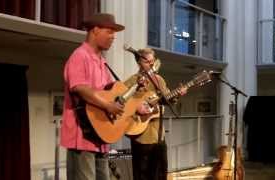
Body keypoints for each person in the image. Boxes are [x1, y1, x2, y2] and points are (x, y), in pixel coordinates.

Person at [60, 13, 125, 180]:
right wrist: (107, 106)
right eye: (109, 32)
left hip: (100, 136)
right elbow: (79, 88)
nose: (113, 37)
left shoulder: (102, 62)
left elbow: (110, 93)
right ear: (95, 30)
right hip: (82, 134)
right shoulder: (80, 56)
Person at [124, 48, 187, 180]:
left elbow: (167, 99)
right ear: (139, 62)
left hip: (159, 135)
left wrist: (177, 95)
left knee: (160, 174)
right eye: (148, 62)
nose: (152, 64)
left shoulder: (160, 80)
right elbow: (121, 103)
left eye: (153, 61)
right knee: (142, 175)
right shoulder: (132, 81)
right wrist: (137, 107)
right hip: (140, 135)